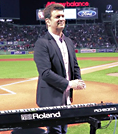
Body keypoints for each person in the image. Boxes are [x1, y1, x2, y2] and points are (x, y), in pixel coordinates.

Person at [33, 3, 86, 134]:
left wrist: (78, 80)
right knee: (55, 131)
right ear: (48, 21)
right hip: (51, 98)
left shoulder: (68, 41)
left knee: (63, 130)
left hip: (66, 97)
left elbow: (74, 65)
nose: (61, 19)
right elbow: (45, 73)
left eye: (63, 16)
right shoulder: (42, 43)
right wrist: (69, 83)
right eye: (57, 16)